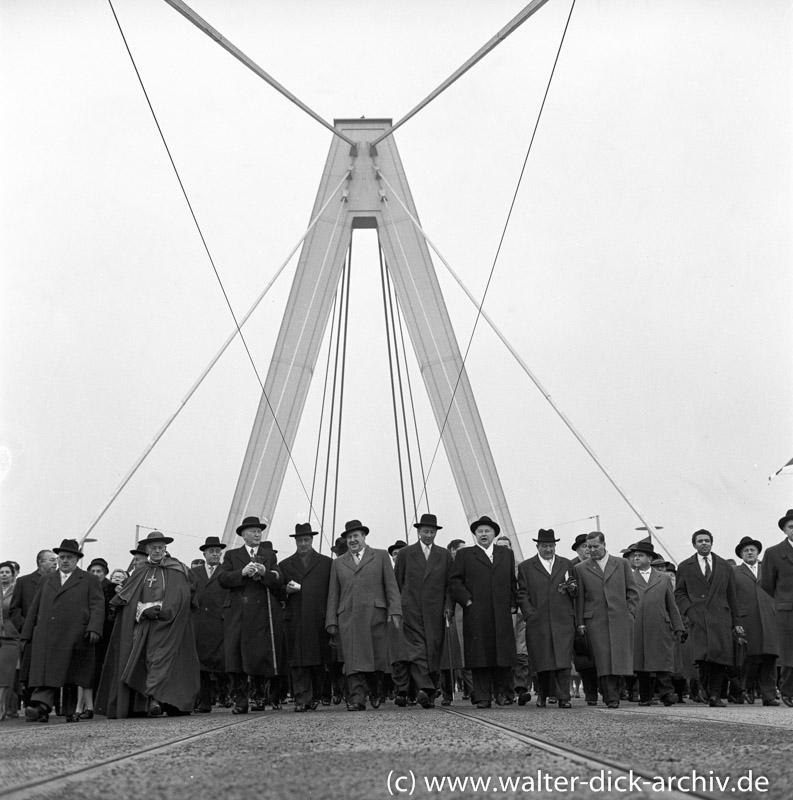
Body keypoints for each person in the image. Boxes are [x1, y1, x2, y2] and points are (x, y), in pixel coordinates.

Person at [96, 531, 200, 718]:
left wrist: (163, 610)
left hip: (168, 624)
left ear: (166, 549)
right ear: (147, 550)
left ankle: (157, 700)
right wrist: (142, 611)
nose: (157, 551)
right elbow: (127, 599)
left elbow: (184, 596)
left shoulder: (177, 569)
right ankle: (142, 704)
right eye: (153, 548)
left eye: (161, 547)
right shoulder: (140, 571)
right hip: (142, 624)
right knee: (141, 662)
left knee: (160, 660)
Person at [21, 539, 104, 723]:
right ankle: (41, 707)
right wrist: (27, 634)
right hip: (47, 634)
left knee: (72, 675)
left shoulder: (88, 579)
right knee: (47, 672)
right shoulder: (47, 579)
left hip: (76, 634)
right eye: (62, 557)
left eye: (69, 557)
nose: (65, 561)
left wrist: (94, 628)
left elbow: (97, 605)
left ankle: (67, 710)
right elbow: (35, 607)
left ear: (77, 559)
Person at [326, 519, 402, 711]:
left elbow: (391, 586)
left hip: (376, 616)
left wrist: (395, 610)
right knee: (353, 661)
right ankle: (357, 699)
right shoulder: (338, 563)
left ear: (364, 537)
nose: (353, 540)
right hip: (348, 619)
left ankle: (376, 692)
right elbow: (333, 594)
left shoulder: (381, 556)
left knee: (376, 659)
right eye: (349, 537)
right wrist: (331, 621)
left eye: (356, 536)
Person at [218, 516, 287, 713]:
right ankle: (241, 702)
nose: (257, 534)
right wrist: (242, 572)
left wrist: (265, 572)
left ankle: (258, 698)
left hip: (260, 614)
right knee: (237, 657)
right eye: (253, 531)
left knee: (257, 656)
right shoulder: (232, 556)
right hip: (238, 614)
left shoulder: (269, 556)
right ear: (243, 535)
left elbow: (279, 581)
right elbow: (222, 579)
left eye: (259, 531)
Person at [449, 515, 517, 709]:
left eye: (487, 531)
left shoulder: (505, 554)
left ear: (494, 534)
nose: (484, 534)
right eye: (480, 531)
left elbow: (512, 581)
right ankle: (483, 696)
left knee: (502, 655)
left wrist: (512, 603)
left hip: (501, 612)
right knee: (480, 656)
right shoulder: (465, 555)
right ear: (475, 535)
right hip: (477, 613)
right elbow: (455, 581)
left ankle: (502, 694)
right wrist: (467, 601)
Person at [674, 529, 743, 707]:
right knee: (703, 657)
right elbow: (680, 592)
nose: (704, 543)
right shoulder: (685, 566)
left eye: (707, 540)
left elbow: (732, 595)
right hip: (698, 617)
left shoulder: (724, 566)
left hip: (721, 616)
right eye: (700, 541)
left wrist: (737, 622)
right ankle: (703, 689)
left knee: (720, 657)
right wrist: (689, 610)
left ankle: (714, 695)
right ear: (694, 544)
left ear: (712, 543)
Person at [392, 513, 453, 710]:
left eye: (432, 532)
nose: (429, 535)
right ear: (418, 532)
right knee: (417, 650)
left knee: (433, 651)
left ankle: (429, 692)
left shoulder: (444, 555)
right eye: (425, 531)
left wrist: (448, 607)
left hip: (436, 611)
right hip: (411, 610)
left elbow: (449, 585)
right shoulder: (406, 554)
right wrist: (398, 607)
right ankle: (425, 689)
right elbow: (396, 582)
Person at [574, 531, 638, 709]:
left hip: (620, 618)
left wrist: (630, 613)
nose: (592, 550)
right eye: (589, 547)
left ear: (604, 544)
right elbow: (580, 599)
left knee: (618, 659)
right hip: (595, 621)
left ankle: (612, 694)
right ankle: (611, 697)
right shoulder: (581, 568)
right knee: (603, 659)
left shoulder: (622, 563)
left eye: (595, 546)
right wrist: (580, 622)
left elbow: (632, 591)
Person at [517, 529, 576, 709]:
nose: (548, 549)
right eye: (544, 546)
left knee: (563, 660)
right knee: (542, 660)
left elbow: (576, 588)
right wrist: (530, 614)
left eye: (551, 546)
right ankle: (542, 695)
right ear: (537, 547)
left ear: (555, 546)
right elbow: (522, 594)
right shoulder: (526, 567)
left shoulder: (565, 564)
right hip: (539, 620)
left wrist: (572, 588)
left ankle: (564, 697)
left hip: (562, 619)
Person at [278, 523, 333, 712]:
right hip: (296, 619)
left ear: (312, 540)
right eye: (300, 540)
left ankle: (315, 695)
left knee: (319, 661)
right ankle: (302, 698)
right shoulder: (285, 565)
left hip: (319, 618)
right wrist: (286, 590)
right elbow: (277, 591)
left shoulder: (326, 563)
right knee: (298, 661)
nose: (303, 543)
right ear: (295, 541)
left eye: (306, 540)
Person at [628, 541, 685, 706]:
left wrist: (678, 625)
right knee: (641, 662)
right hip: (637, 625)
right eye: (634, 555)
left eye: (640, 555)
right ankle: (645, 696)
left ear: (649, 558)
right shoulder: (629, 578)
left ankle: (667, 694)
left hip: (659, 625)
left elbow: (671, 603)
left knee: (663, 661)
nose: (636, 558)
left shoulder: (664, 578)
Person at [9, 549, 58, 708]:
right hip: (31, 635)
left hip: (52, 634)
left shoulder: (59, 581)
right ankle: (31, 707)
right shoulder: (24, 582)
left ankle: (50, 706)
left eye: (55, 560)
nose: (55, 563)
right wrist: (25, 627)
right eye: (51, 560)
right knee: (30, 671)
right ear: (40, 562)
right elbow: (14, 610)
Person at [733, 536, 779, 705]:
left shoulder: (769, 568)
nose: (750, 552)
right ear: (741, 555)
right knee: (749, 658)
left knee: (770, 657)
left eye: (752, 549)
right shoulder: (734, 572)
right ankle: (745, 691)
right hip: (747, 619)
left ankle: (769, 695)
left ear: (758, 552)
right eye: (746, 550)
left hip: (770, 618)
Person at [760, 510, 793, 707]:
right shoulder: (773, 553)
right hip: (787, 610)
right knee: (789, 652)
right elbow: (767, 584)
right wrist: (783, 599)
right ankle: (788, 691)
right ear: (784, 530)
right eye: (791, 527)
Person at [191, 536, 227, 713]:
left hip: (220, 623)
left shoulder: (226, 571)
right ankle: (204, 701)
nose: (215, 554)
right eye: (211, 551)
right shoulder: (195, 572)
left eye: (217, 551)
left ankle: (226, 696)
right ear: (204, 553)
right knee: (201, 666)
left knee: (223, 663)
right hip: (200, 624)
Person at [0, 561, 20, 719]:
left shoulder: (16, 591)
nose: (4, 575)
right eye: (1, 572)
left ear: (13, 575)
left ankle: (2, 708)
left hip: (11, 635)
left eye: (7, 572)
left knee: (6, 674)